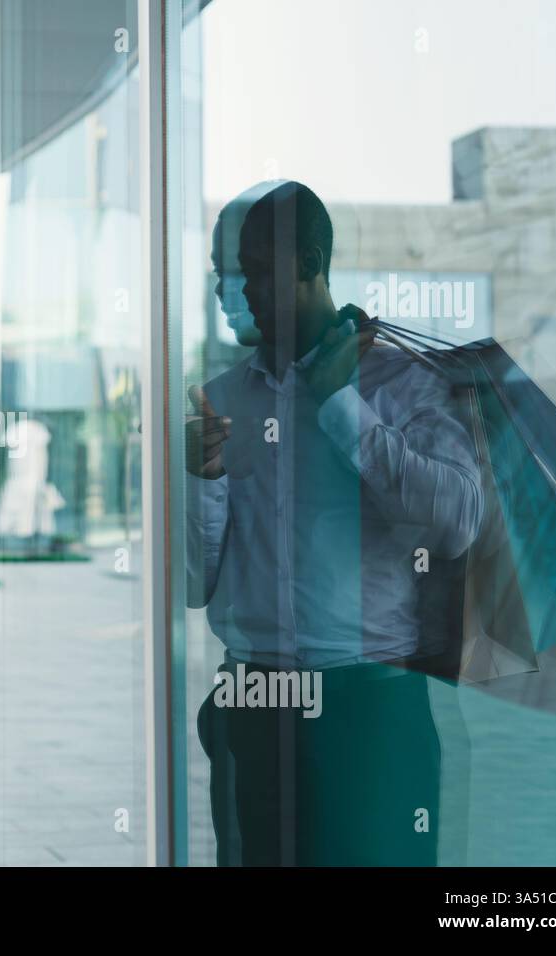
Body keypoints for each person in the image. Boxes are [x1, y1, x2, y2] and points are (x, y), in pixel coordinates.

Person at [188, 181, 482, 865]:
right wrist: (203, 481)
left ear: (310, 262)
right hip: (253, 701)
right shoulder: (223, 401)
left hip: (369, 705)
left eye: (251, 271)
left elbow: (455, 525)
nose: (231, 292)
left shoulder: (405, 384)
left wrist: (339, 405)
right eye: (220, 274)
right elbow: (194, 583)